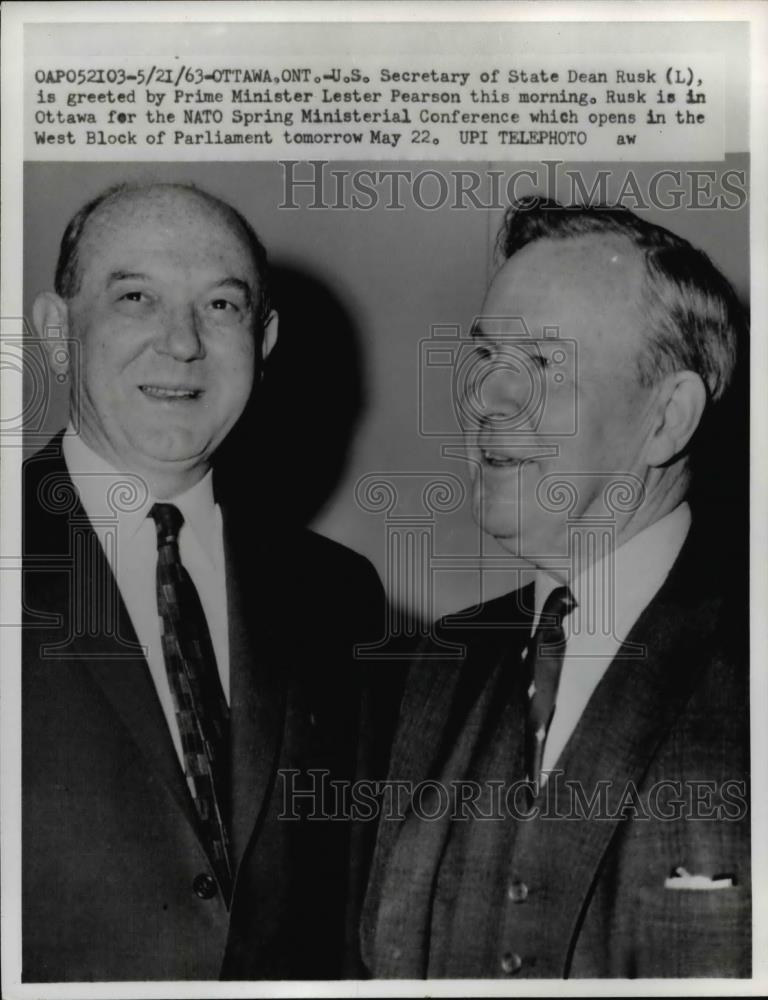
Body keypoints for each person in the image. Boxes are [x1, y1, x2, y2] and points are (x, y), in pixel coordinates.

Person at [361, 199, 750, 978]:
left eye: (541, 366)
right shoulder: (418, 674)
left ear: (668, 419)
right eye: (484, 361)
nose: (487, 403)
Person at [22, 181, 387, 981]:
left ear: (265, 340)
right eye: (135, 297)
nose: (183, 342)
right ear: (56, 332)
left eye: (222, 306)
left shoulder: (339, 597)